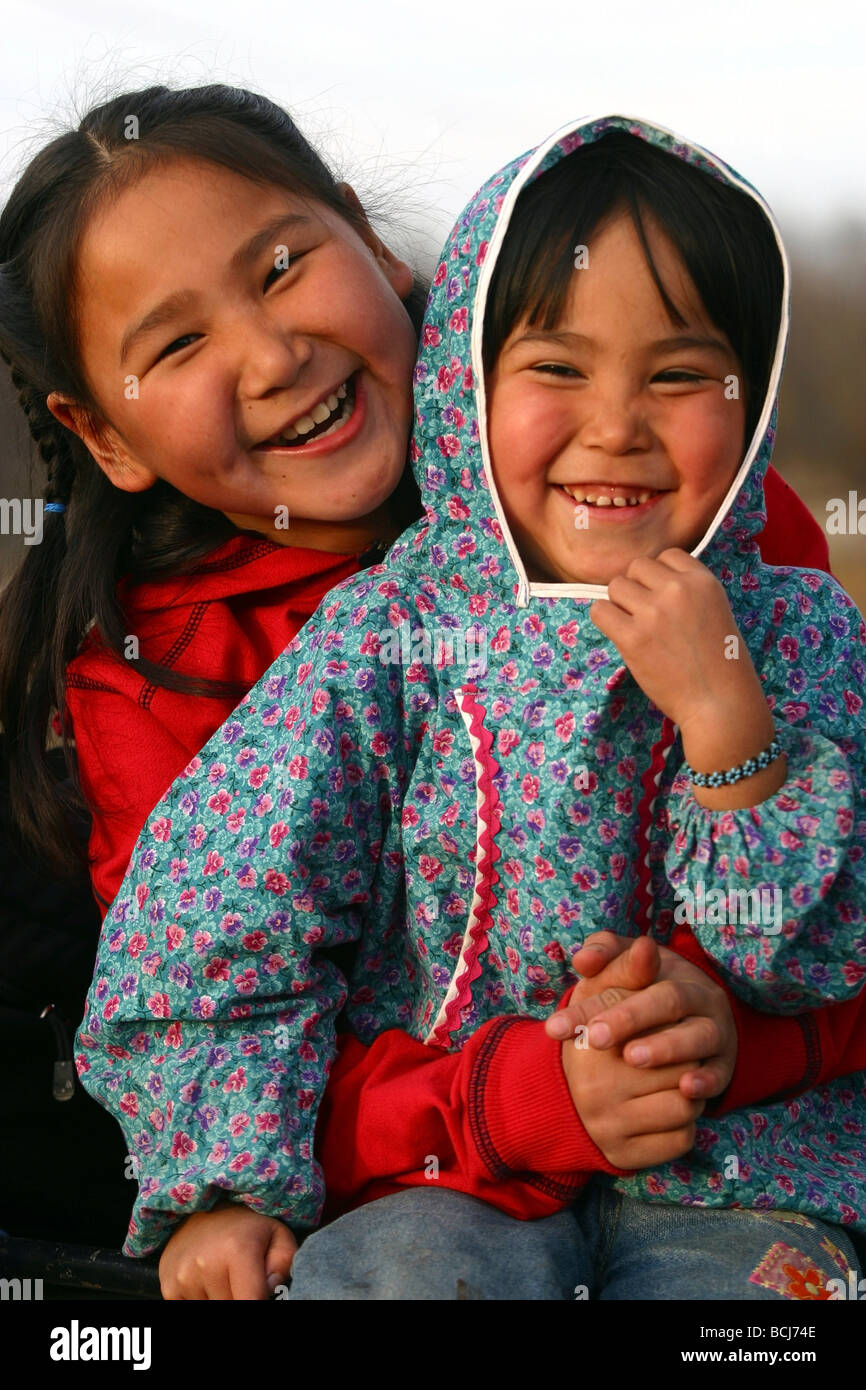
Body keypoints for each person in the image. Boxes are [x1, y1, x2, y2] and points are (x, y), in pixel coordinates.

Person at [75, 113, 866, 1300]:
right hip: (440, 1182)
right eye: (555, 369)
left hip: (746, 1170)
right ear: (465, 382)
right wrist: (221, 1185)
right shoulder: (384, 638)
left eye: (678, 374)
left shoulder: (799, 626)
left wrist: (728, 727)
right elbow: (212, 920)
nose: (616, 425)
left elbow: (817, 947)